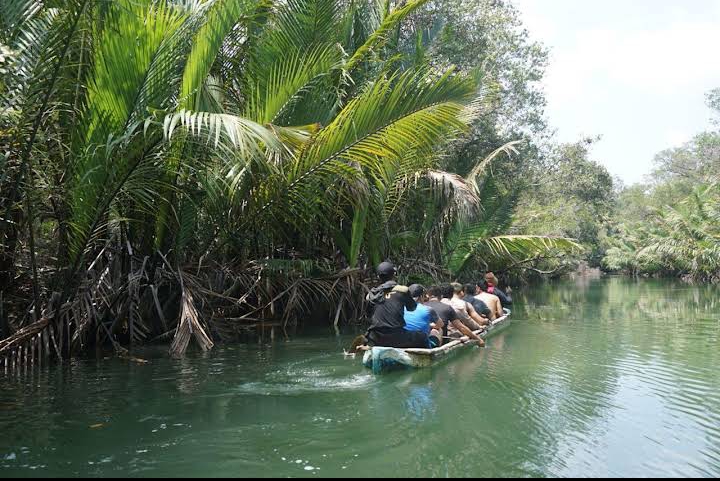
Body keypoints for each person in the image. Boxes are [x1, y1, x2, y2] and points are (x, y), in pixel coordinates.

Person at [363, 262, 429, 348]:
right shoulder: (403, 290)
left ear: (378, 277)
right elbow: (412, 308)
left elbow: (369, 316)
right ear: (394, 275)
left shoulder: (371, 295)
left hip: (375, 338)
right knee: (423, 336)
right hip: (396, 337)